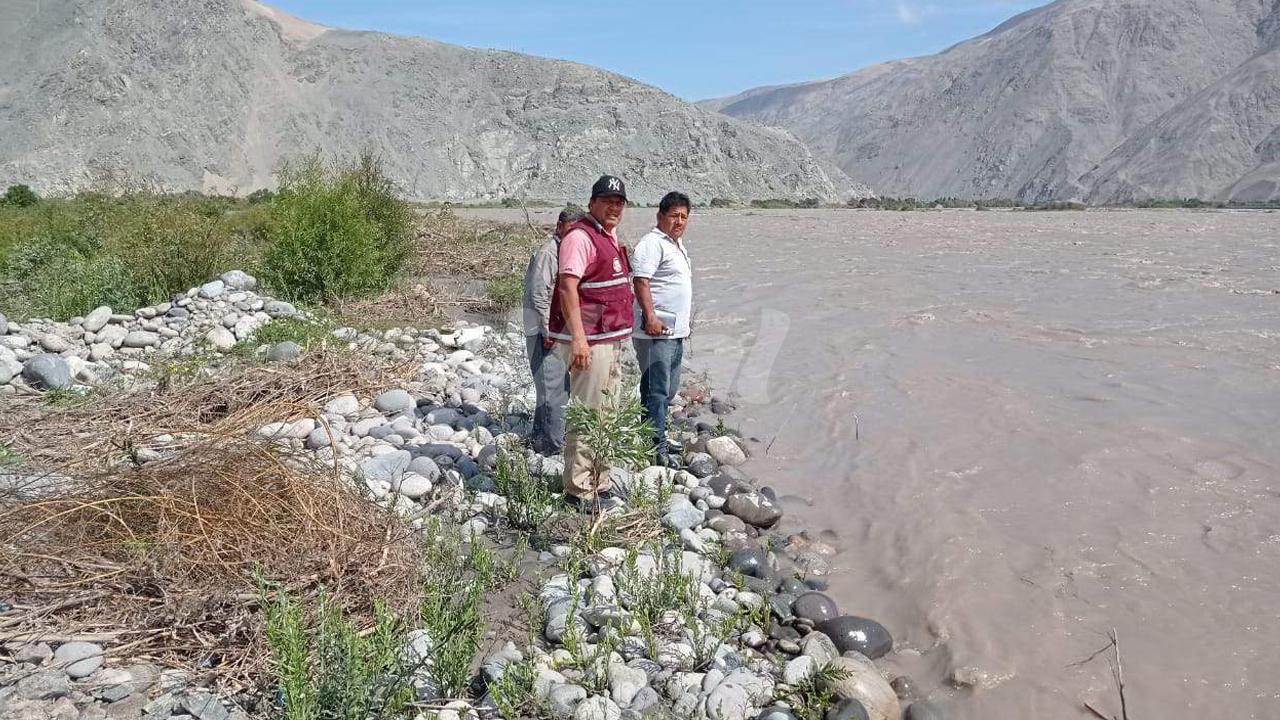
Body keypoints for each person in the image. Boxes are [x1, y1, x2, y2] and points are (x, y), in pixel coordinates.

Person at [547, 175, 634, 512]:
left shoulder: (607, 236)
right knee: (588, 413)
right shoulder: (580, 237)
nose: (614, 207)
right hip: (589, 342)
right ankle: (579, 490)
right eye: (607, 201)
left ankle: (599, 483)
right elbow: (567, 287)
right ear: (592, 203)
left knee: (606, 414)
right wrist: (579, 340)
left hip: (608, 339)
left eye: (619, 202)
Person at [631, 191, 692, 462]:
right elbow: (641, 280)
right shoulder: (652, 243)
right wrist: (651, 317)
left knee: (667, 389)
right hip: (656, 332)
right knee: (656, 389)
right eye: (674, 215)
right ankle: (656, 447)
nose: (679, 221)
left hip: (675, 332)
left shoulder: (677, 245)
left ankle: (655, 434)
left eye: (684, 217)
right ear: (660, 216)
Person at [521, 205, 586, 454]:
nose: (573, 236)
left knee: (550, 386)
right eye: (570, 230)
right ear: (559, 227)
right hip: (544, 331)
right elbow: (539, 295)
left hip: (555, 330)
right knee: (554, 388)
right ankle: (552, 445)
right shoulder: (550, 253)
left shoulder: (564, 252)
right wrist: (548, 331)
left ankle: (539, 438)